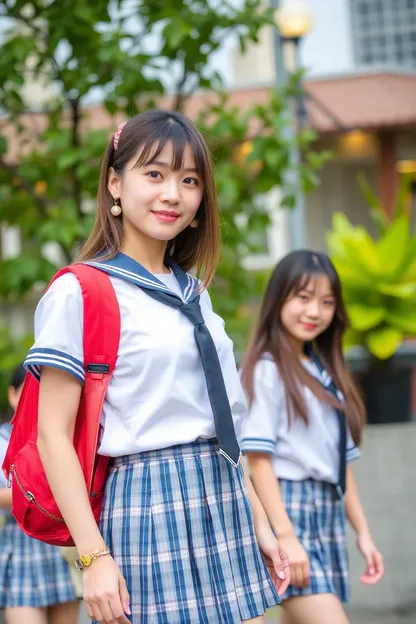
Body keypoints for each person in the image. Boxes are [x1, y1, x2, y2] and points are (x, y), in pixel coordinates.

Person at [23, 110, 290, 624]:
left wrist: (258, 516)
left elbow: (223, 420)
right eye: (155, 174)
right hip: (148, 499)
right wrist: (93, 557)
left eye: (189, 180)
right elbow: (51, 435)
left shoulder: (195, 293)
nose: (173, 193)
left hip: (224, 495)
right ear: (115, 184)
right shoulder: (80, 291)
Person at [240, 250, 384, 624]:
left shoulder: (324, 373)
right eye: (303, 297)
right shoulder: (266, 370)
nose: (314, 312)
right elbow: (258, 461)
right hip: (288, 510)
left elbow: (341, 467)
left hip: (326, 512)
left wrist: (363, 533)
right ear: (279, 299)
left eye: (326, 302)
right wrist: (285, 534)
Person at [0, 364, 80, 624]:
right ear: (12, 395)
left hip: (59, 548)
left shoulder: (64, 437)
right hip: (19, 546)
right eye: (26, 393)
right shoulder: (2, 440)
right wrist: (53, 492)